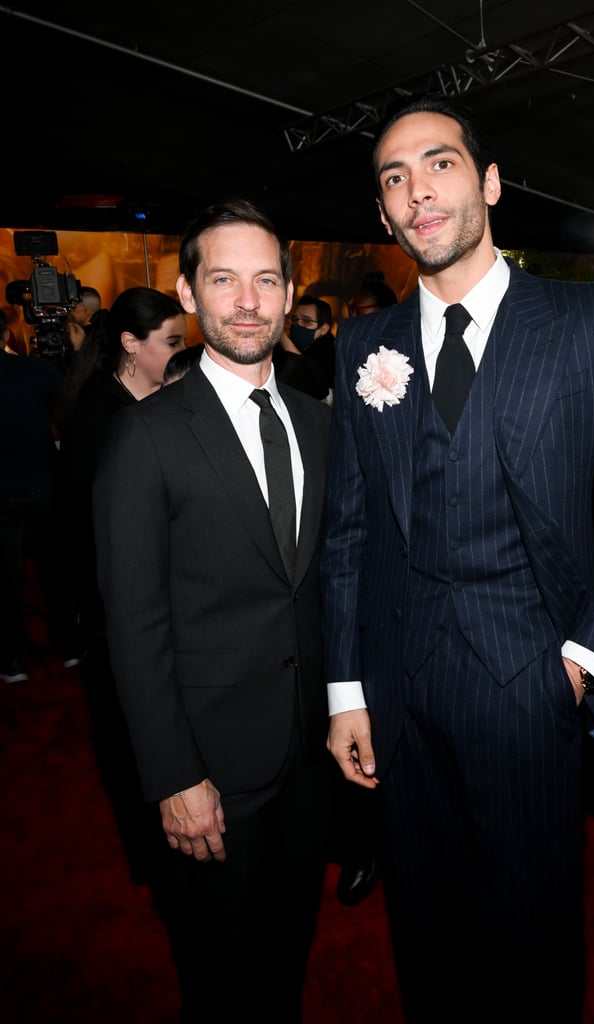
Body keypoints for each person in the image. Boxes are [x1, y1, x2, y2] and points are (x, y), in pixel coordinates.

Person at [320, 93, 594, 1022]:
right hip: (401, 682)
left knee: (531, 926)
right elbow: (350, 532)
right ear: (384, 213)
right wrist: (347, 690)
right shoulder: (362, 345)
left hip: (532, 677)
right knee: (425, 925)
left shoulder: (584, 320)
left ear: (486, 183)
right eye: (393, 178)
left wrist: (583, 662)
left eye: (437, 164)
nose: (415, 191)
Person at [93, 198, 333, 1022]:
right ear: (188, 294)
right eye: (223, 279)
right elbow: (131, 625)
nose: (246, 301)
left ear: (289, 290)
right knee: (222, 978)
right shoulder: (147, 436)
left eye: (265, 280)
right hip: (210, 771)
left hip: (309, 757)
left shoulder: (317, 422)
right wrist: (171, 775)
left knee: (290, 953)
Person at [58, 287, 187, 646]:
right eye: (172, 343)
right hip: (126, 594)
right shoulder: (98, 416)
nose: (181, 353)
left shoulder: (175, 400)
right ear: (131, 342)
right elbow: (84, 517)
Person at [0, 309, 80, 681]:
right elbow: (69, 400)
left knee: (6, 579)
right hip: (42, 485)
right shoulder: (33, 371)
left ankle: (12, 661)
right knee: (55, 571)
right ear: (6, 333)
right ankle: (69, 647)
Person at [274, 293, 336, 401]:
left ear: (324, 329)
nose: (298, 325)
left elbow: (311, 378)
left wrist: (280, 333)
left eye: (306, 321)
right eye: (295, 320)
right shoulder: (280, 350)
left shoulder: (331, 357)